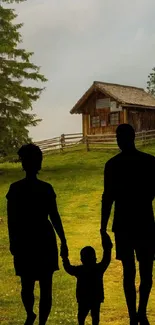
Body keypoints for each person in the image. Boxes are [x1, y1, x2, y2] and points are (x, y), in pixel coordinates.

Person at [6, 143, 68, 325]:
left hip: (32, 239)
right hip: (39, 238)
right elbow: (53, 217)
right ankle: (35, 317)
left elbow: (54, 216)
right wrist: (62, 240)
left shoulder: (20, 189)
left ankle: (36, 319)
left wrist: (63, 241)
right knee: (35, 285)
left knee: (34, 284)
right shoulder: (36, 188)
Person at [101, 123, 155, 325]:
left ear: (126, 138)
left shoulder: (113, 165)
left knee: (129, 271)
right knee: (145, 270)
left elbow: (108, 198)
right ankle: (140, 312)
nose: (117, 140)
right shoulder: (150, 162)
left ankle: (134, 314)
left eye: (118, 136)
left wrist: (103, 227)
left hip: (123, 223)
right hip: (145, 221)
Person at [62, 232, 112, 325]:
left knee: (81, 317)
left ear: (82, 260)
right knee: (95, 317)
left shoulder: (80, 270)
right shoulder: (98, 269)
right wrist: (107, 247)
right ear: (95, 258)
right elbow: (107, 258)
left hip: (83, 297)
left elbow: (68, 268)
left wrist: (65, 258)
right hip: (96, 297)